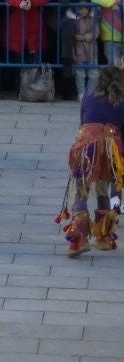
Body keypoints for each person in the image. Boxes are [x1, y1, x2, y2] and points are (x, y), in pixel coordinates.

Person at [57, 65, 124, 257]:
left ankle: (79, 241)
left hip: (86, 146)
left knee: (81, 191)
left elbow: (83, 125)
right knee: (104, 189)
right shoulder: (122, 102)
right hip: (110, 148)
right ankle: (104, 238)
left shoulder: (87, 97)